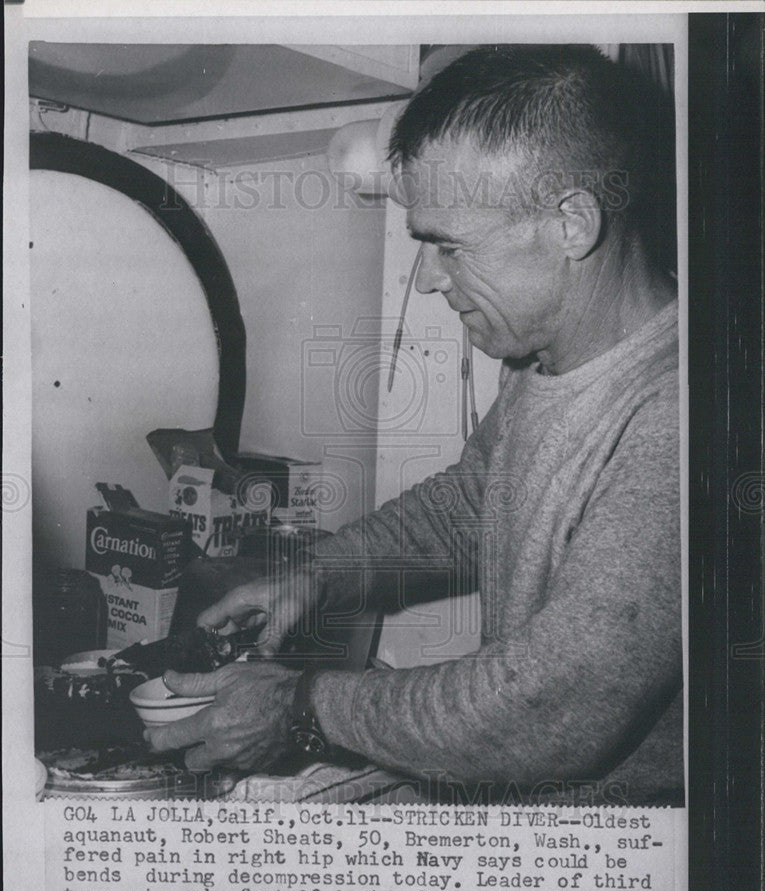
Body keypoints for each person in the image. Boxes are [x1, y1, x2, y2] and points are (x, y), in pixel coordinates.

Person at [146, 45, 682, 805]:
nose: (428, 279)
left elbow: (547, 709)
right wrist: (322, 573)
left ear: (572, 224)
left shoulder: (679, 417)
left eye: (448, 246)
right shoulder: (539, 360)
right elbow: (474, 499)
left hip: (614, 860)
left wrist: (301, 708)